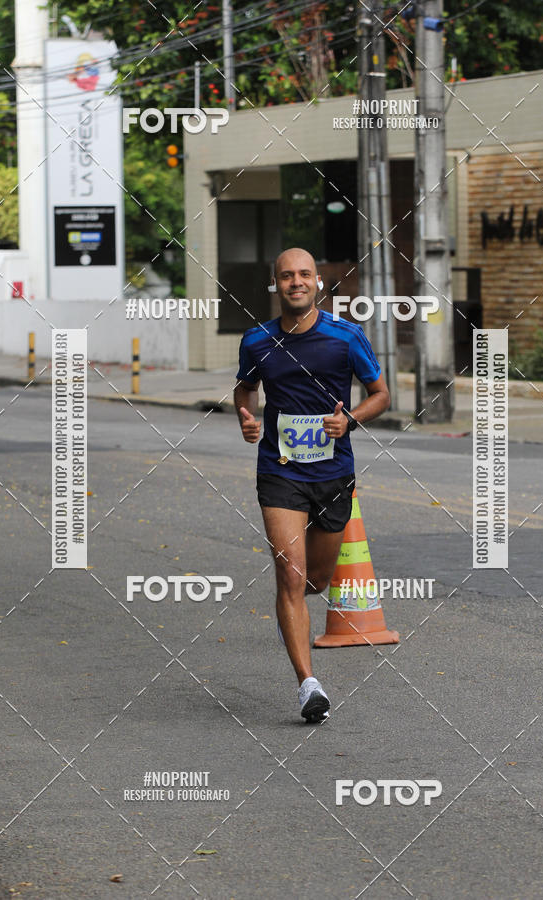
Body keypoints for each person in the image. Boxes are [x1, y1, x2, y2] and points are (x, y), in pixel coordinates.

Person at [234, 248, 390, 723]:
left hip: (333, 474)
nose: (295, 282)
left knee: (316, 581)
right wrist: (245, 416)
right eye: (286, 276)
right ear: (276, 284)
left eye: (304, 275)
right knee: (291, 577)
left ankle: (294, 619)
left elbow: (381, 395)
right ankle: (308, 684)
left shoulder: (346, 337)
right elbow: (245, 389)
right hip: (279, 473)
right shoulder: (257, 340)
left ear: (317, 282)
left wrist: (352, 421)